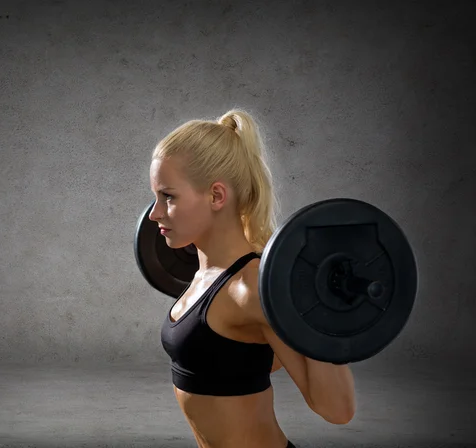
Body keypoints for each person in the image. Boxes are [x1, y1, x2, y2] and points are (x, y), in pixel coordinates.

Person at [148, 109, 357, 448]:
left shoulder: (254, 287)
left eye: (168, 196)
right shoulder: (206, 277)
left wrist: (323, 311)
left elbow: (337, 410)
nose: (155, 213)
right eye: (155, 197)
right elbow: (246, 361)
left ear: (216, 196)